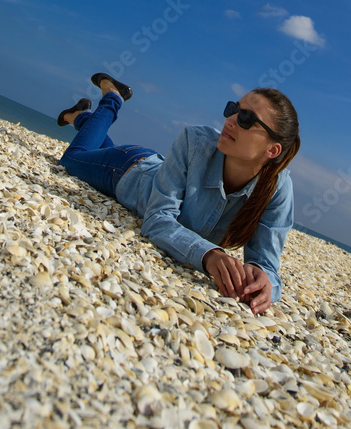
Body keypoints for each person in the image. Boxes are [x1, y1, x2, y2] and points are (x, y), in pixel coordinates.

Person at [58, 72, 300, 315]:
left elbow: (267, 264)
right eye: (233, 109)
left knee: (92, 148)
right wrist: (209, 255)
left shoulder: (277, 188)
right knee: (72, 159)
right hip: (126, 169)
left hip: (142, 165)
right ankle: (113, 97)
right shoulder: (195, 142)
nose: (231, 120)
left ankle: (82, 118)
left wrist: (264, 282)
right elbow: (157, 219)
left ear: (272, 149)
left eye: (246, 118)